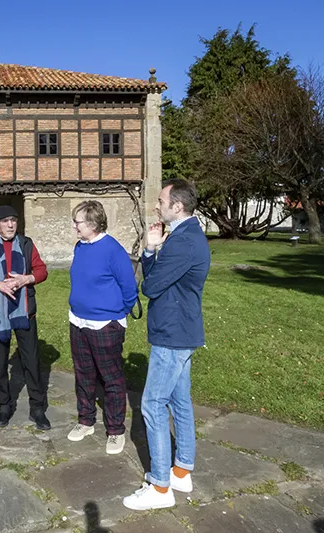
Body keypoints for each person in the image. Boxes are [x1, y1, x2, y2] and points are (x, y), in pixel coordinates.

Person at [123, 179, 211, 510]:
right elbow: (157, 280)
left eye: (161, 200)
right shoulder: (183, 236)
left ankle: (160, 488)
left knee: (152, 404)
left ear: (177, 206)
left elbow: (151, 286)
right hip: (180, 331)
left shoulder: (184, 242)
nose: (155, 206)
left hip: (173, 335)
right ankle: (181, 470)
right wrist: (150, 249)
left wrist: (151, 254)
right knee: (179, 401)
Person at [0, 205, 51, 430]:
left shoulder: (26, 244)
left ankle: (37, 408)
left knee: (32, 361)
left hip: (24, 310)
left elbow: (42, 270)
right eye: (5, 221)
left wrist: (26, 279)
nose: (11, 224)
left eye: (13, 220)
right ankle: (4, 405)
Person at [66, 200, 137, 455]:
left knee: (111, 379)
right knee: (83, 374)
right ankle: (86, 421)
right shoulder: (80, 246)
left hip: (105, 324)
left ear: (94, 224)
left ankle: (115, 430)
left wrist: (116, 313)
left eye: (78, 222)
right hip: (78, 321)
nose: (75, 227)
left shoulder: (113, 250)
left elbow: (129, 288)